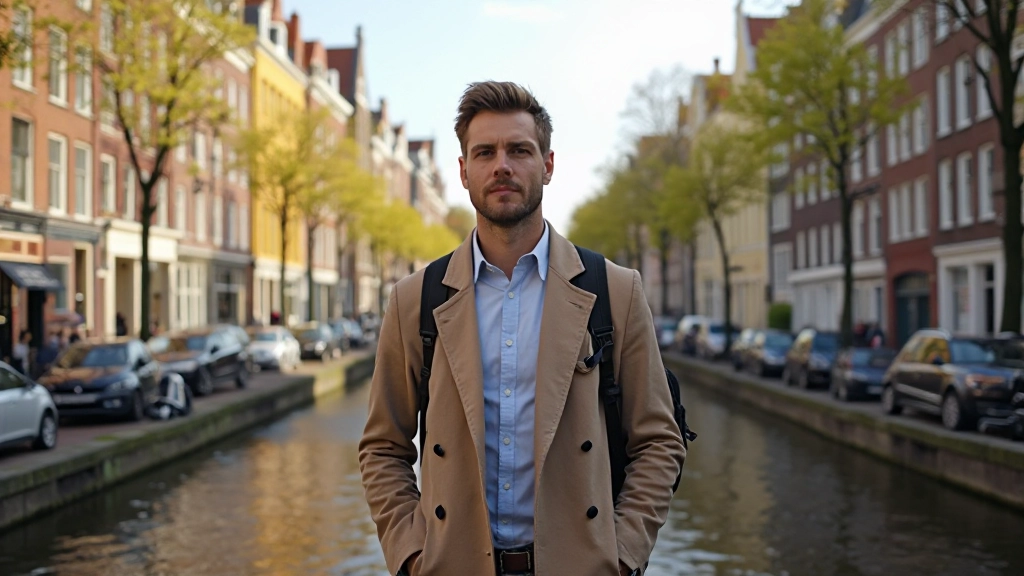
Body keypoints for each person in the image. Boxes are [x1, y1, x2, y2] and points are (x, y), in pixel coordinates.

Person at [360, 81, 685, 576]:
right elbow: (384, 446)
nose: (502, 166)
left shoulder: (615, 290)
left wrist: (621, 556)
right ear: (464, 172)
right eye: (484, 152)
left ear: (548, 165)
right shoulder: (416, 300)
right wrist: (410, 555)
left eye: (519, 150)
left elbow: (659, 440)